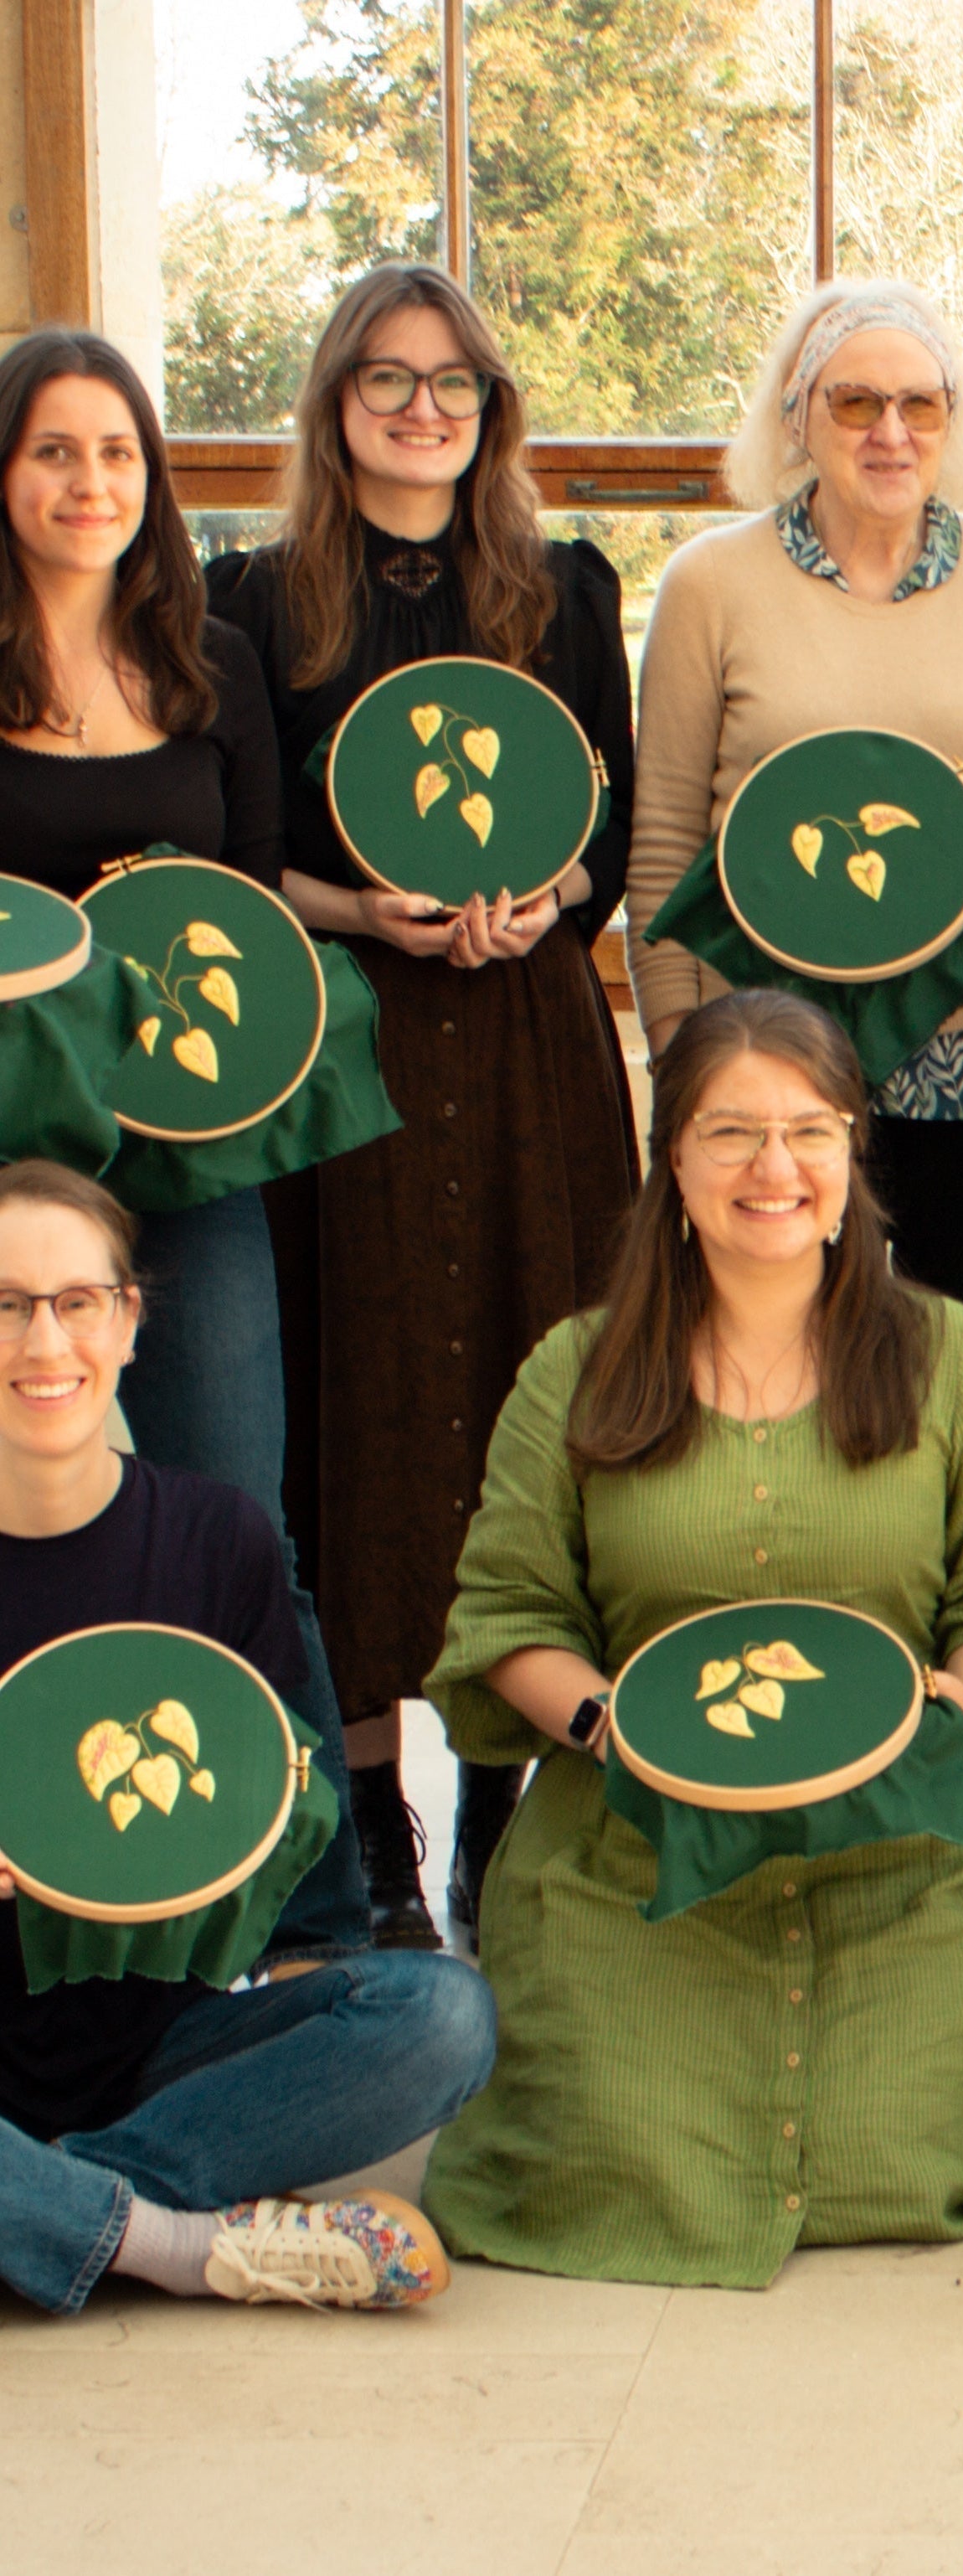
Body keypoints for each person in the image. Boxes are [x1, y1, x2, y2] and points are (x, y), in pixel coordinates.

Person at [419, 990, 963, 2287]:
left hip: (909, 1850)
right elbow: (508, 1616)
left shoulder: (956, 1357)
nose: (771, 1168)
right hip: (637, 1847)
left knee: (906, 2155)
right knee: (601, 2149)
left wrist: (947, 1725)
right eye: (730, 1133)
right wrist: (615, 1733)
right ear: (671, 1160)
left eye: (806, 1130)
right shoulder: (575, 1366)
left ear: (850, 1158)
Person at [208, 264, 641, 1957]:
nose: (419, 409)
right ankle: (379, 1839)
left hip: (531, 1044)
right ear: (335, 403)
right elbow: (244, 857)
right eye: (385, 381)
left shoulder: (566, 588)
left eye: (450, 382)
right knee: (362, 1419)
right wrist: (356, 914)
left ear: (489, 407)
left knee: (538, 1399)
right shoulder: (250, 600)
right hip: (349, 1040)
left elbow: (605, 834)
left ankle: (501, 1823)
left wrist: (550, 906)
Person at [0, 326, 368, 1970]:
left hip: (194, 1171)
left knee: (237, 1508)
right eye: (53, 450)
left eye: (116, 453)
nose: (89, 482)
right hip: (17, 1170)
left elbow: (265, 894)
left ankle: (316, 1905)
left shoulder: (210, 665)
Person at [0, 1159, 495, 2316]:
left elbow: (277, 1827)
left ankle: (58, 2209)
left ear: (129, 1319)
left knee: (443, 2015)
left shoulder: (213, 1536)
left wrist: (244, 1836)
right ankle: (178, 2242)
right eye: (6, 1304)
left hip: (160, 2048)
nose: (44, 1339)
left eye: (77, 1300)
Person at [624, 278, 963, 1370]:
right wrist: (677, 1057)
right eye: (855, 404)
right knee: (764, 1362)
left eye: (919, 404)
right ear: (798, 414)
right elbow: (658, 849)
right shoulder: (709, 584)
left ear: (951, 418)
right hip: (765, 1054)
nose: (891, 432)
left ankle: (953, 1548)